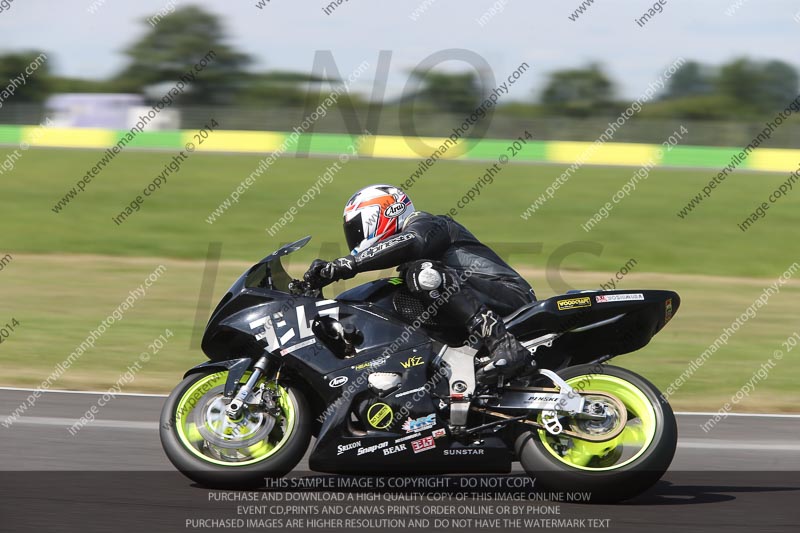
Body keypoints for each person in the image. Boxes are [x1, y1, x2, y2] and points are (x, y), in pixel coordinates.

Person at [303, 184, 536, 383]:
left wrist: (347, 264)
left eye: (358, 227)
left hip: (510, 296)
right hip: (473, 302)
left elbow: (413, 242)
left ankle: (501, 341)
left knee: (424, 274)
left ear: (385, 213)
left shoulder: (429, 224)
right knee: (396, 296)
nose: (356, 237)